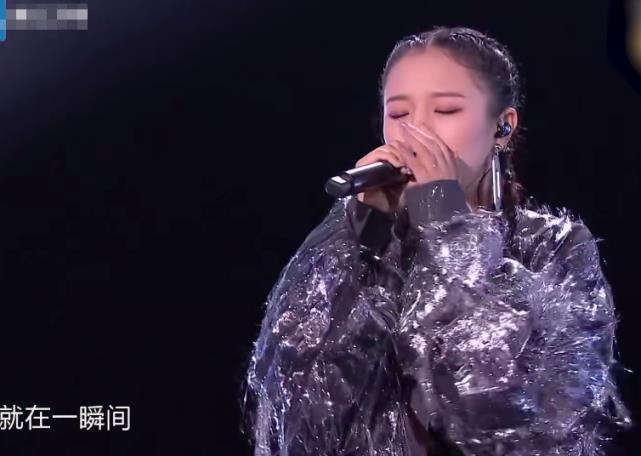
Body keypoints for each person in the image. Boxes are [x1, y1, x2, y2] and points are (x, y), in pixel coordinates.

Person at [241, 26, 633, 455]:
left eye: (446, 110)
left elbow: (499, 415)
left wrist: (445, 226)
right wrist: (363, 238)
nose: (417, 132)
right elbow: (298, 410)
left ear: (502, 127)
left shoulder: (554, 247)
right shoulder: (360, 237)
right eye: (399, 114)